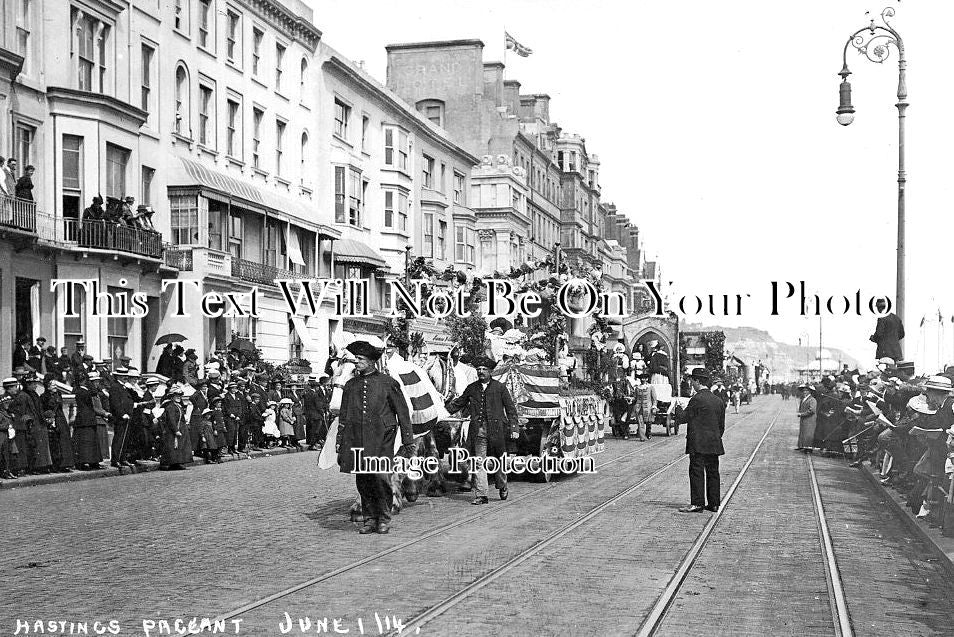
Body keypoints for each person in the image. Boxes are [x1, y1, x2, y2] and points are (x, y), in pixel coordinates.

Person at [336, 337, 414, 535]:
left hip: (382, 440)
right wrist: (340, 441)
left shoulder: (388, 383)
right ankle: (370, 519)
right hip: (357, 440)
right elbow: (344, 416)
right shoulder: (351, 385)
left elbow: (403, 414)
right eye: (356, 359)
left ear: (371, 361)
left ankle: (384, 518)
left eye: (360, 359)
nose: (357, 362)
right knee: (363, 481)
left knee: (380, 479)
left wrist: (407, 441)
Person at [447, 356, 520, 505]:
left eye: (484, 369)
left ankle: (502, 485)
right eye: (478, 369)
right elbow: (458, 403)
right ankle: (482, 495)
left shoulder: (500, 388)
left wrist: (514, 427)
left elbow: (511, 409)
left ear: (490, 371)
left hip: (497, 432)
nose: (481, 372)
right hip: (478, 432)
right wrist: (441, 412)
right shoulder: (472, 388)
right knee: (479, 462)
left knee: (499, 461)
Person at [677, 368, 725, 513]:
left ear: (697, 381)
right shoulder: (718, 401)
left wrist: (678, 407)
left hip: (698, 444)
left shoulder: (696, 399)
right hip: (714, 443)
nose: (691, 384)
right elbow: (721, 426)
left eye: (692, 381)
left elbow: (684, 418)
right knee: (713, 473)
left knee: (697, 472)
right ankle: (714, 503)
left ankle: (697, 503)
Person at [160, 385, 192, 470]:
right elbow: (171, 420)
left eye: (180, 396)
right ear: (172, 397)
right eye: (176, 395)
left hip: (181, 428)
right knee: (173, 446)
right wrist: (176, 430)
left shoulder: (178, 405)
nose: (178, 397)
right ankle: (170, 463)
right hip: (173, 430)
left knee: (180, 446)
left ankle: (178, 462)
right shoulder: (170, 407)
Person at [795, 383, 817, 452]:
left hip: (810, 419)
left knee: (809, 432)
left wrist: (802, 414)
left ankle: (808, 447)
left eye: (806, 391)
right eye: (803, 391)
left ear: (810, 391)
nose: (804, 392)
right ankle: (802, 445)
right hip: (804, 418)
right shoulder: (803, 399)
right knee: (803, 432)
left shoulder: (812, 400)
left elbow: (812, 410)